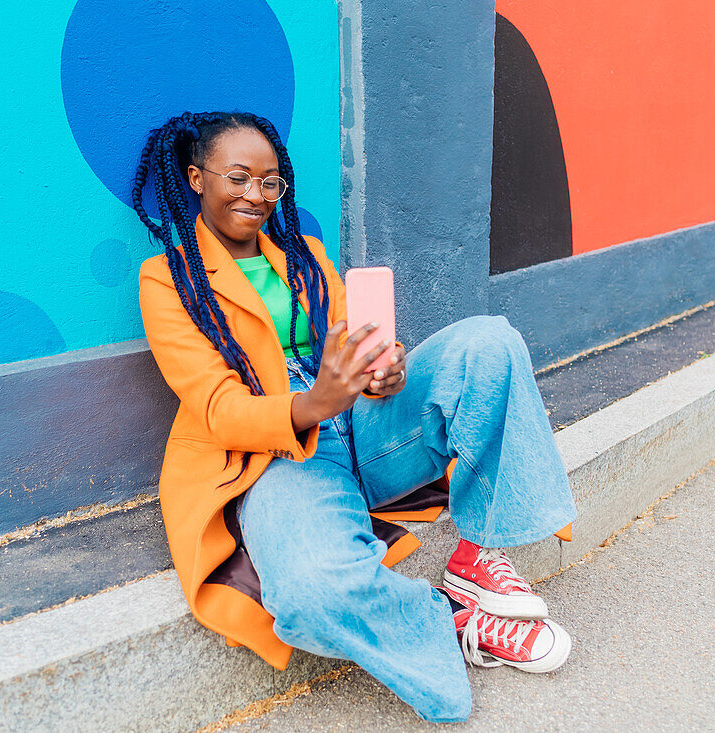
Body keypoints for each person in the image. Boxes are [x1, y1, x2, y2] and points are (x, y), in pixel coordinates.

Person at [133, 111, 577, 722]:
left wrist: (382, 371)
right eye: (238, 178)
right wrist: (315, 402)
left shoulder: (306, 254)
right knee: (310, 592)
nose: (256, 196)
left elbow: (360, 343)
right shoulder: (166, 280)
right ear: (195, 179)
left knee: (489, 342)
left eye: (270, 183)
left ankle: (477, 556)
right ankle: (451, 618)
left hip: (366, 428)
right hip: (278, 454)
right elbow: (216, 409)